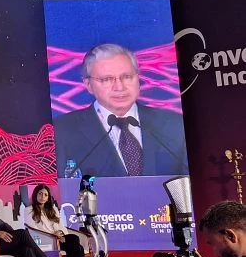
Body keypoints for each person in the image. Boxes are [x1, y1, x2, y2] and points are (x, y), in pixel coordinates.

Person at [53, 43, 188, 178]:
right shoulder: (61, 132)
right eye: (106, 79)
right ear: (88, 85)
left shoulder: (175, 125)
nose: (119, 87)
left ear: (138, 77)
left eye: (127, 77)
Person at [23, 184, 97, 257]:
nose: (42, 197)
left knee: (76, 243)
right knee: (76, 244)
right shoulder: (29, 210)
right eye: (40, 194)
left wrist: (61, 233)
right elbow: (33, 228)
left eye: (45, 195)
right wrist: (54, 235)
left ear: (48, 197)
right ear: (35, 195)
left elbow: (60, 225)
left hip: (58, 238)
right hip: (44, 240)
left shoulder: (52, 209)